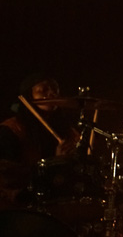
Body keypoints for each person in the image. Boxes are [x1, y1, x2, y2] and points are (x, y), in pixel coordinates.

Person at [0, 73, 80, 207]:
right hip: (20, 202)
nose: (51, 94)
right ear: (29, 96)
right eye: (43, 90)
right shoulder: (11, 130)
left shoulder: (68, 131)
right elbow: (8, 176)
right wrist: (55, 163)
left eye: (54, 90)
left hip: (60, 198)